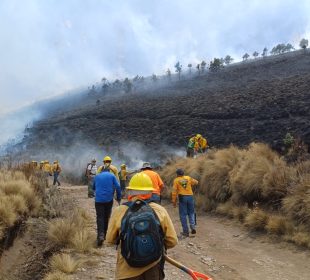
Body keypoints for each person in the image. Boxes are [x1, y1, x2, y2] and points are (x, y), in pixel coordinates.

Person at [106, 172, 178, 280]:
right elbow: (172, 241)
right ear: (150, 192)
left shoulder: (119, 211)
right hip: (153, 269)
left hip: (127, 270)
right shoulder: (159, 210)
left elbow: (110, 240)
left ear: (130, 191)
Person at [93, 166, 121, 247]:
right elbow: (118, 187)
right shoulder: (112, 176)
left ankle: (100, 235)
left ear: (101, 171)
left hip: (98, 200)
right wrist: (119, 197)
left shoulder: (97, 176)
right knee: (106, 217)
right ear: (109, 171)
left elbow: (93, 187)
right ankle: (104, 235)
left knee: (100, 217)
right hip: (109, 200)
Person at [172, 168, 198, 239]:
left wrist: (174, 202)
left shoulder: (176, 180)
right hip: (190, 197)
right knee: (191, 212)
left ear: (177, 174)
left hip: (182, 198)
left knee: (183, 215)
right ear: (183, 173)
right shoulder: (188, 178)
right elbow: (196, 182)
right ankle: (192, 227)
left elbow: (174, 192)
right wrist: (189, 182)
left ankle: (185, 232)